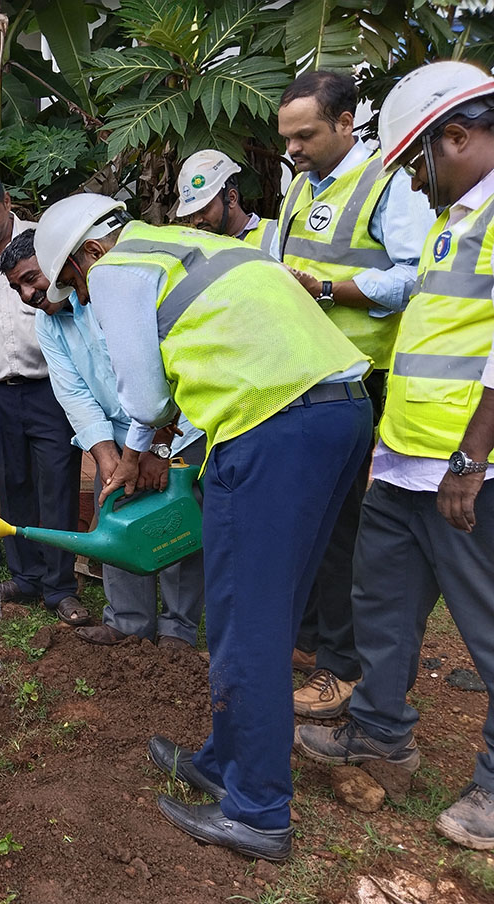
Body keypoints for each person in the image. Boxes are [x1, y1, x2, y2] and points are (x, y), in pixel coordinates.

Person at [90, 216, 371, 862]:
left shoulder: (116, 267)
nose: (82, 299)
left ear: (86, 253)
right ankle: (223, 761)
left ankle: (259, 809)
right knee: (263, 612)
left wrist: (133, 452)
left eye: (70, 285)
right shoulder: (192, 247)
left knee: (248, 624)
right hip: (338, 408)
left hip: (271, 425)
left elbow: (145, 390)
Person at [295, 60, 494, 851]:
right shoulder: (458, 219)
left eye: (421, 161)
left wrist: (472, 460)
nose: (417, 179)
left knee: (485, 630)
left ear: (458, 136)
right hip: (406, 459)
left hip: (464, 470)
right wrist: (395, 443)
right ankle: (381, 736)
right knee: (381, 606)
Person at [275, 70, 436, 716]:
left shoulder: (386, 187)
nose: (293, 149)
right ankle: (315, 639)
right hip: (303, 380)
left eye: (306, 135)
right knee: (308, 520)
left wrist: (326, 290)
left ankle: (339, 668)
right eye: (287, 138)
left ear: (347, 123)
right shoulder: (300, 184)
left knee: (343, 531)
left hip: (357, 383)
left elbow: (414, 277)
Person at [3, 199, 207, 651]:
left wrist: (156, 452)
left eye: (34, 279)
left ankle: (178, 630)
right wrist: (109, 458)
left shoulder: (108, 289)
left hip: (176, 427)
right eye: (18, 287)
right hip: (118, 435)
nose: (30, 295)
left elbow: (158, 376)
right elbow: (73, 393)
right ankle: (128, 623)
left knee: (174, 521)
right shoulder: (48, 323)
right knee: (114, 523)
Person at [0, 165, 90, 627]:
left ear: (6, 201)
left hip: (51, 388)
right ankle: (25, 578)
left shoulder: (48, 243)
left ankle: (60, 587)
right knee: (13, 484)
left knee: (57, 485)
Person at [174, 149, 275, 249]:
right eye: (192, 215)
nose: (196, 221)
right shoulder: (199, 250)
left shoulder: (274, 236)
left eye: (203, 210)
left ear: (232, 198)